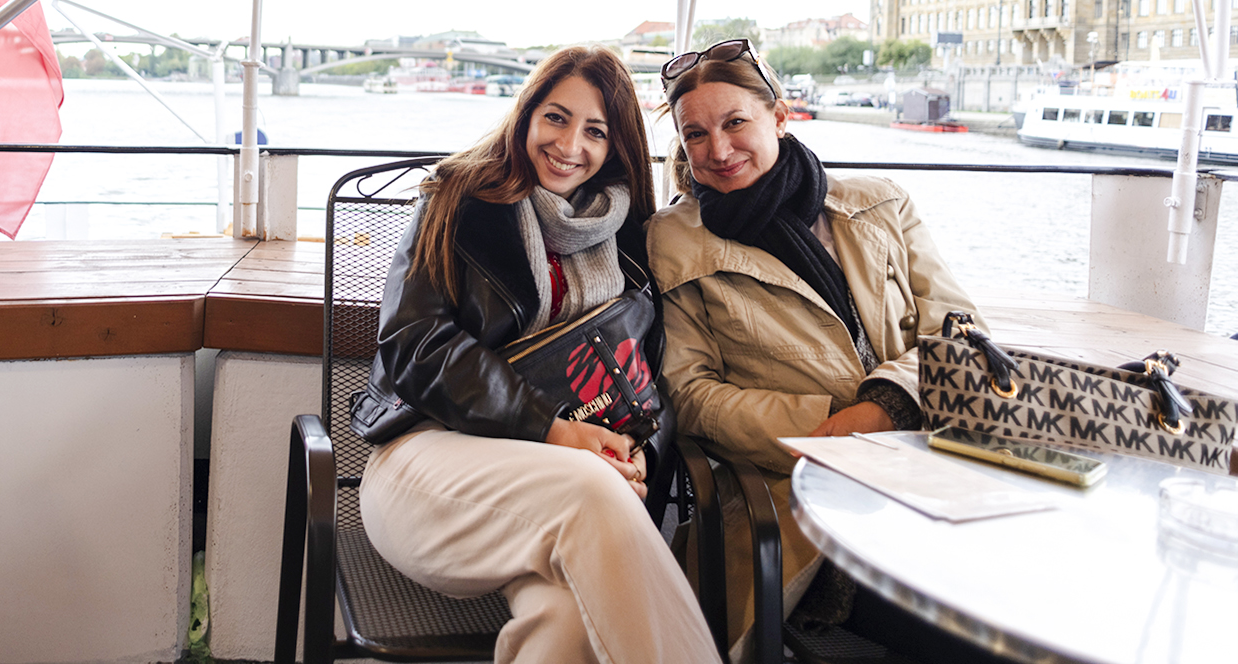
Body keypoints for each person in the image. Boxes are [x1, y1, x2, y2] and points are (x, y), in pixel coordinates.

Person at [352, 45, 720, 664]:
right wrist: (551, 431)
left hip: (568, 491)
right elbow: (413, 345)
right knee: (589, 489)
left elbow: (648, 379)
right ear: (526, 116)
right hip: (425, 463)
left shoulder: (629, 242)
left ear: (616, 147)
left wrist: (637, 456)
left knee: (569, 619)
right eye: (556, 117)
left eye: (595, 131)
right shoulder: (457, 200)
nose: (570, 143)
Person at [647, 40, 984, 661]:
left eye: (735, 122)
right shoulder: (674, 241)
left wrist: (886, 405)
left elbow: (962, 333)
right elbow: (688, 395)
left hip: (933, 465)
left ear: (780, 116)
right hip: (801, 502)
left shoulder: (881, 204)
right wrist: (829, 431)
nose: (717, 151)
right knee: (980, 632)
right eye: (696, 135)